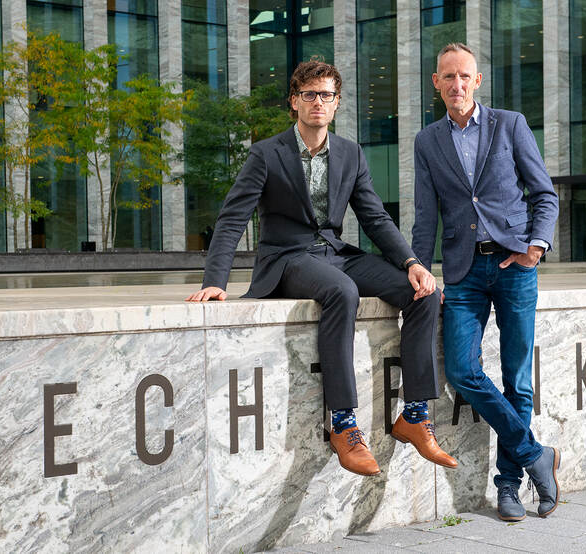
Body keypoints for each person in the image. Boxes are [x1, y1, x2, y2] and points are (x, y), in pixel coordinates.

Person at [187, 60, 457, 476]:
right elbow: (232, 218)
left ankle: (415, 415)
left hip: (336, 253)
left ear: (336, 104)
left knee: (425, 292)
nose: (318, 102)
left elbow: (375, 219)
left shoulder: (349, 153)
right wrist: (215, 282)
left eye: (326, 95)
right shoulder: (265, 154)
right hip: (288, 259)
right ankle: (343, 423)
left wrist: (412, 263)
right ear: (294, 101)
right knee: (341, 291)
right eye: (309, 94)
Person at [411, 43, 561, 521]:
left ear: (478, 81)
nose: (456, 85)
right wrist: (417, 264)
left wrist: (536, 246)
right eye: (448, 77)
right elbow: (423, 216)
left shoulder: (510, 124)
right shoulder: (426, 141)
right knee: (460, 371)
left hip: (515, 265)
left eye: (465, 77)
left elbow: (544, 193)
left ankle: (509, 486)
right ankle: (537, 453)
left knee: (518, 380)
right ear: (437, 83)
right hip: (462, 271)